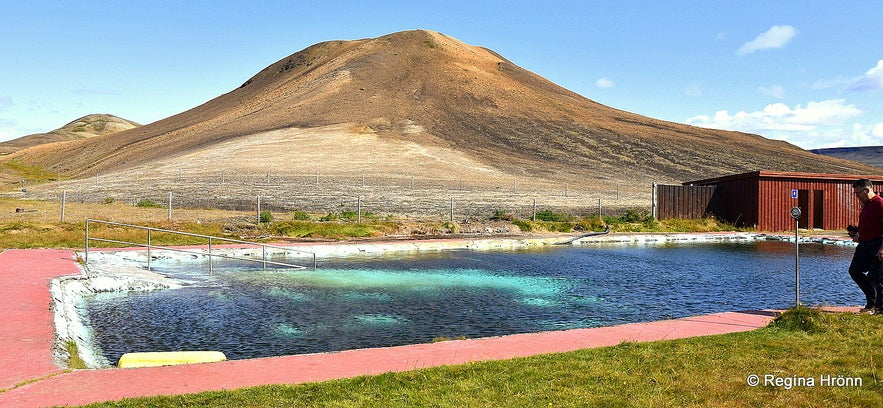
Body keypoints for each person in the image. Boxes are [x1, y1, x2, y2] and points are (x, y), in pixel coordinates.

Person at [847, 179, 883, 314]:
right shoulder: (866, 205)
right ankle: (872, 302)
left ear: (866, 190)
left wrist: (882, 249)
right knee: (854, 271)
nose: (856, 196)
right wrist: (857, 236)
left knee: (877, 278)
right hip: (865, 244)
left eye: (857, 193)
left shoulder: (880, 204)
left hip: (878, 244)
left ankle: (878, 307)